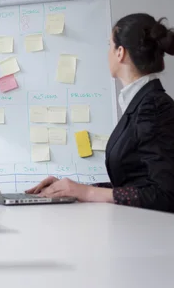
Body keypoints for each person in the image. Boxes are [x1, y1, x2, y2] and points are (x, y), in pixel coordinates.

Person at [27, 13, 174, 213]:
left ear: (120, 52)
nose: (108, 52)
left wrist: (87, 193)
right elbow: (136, 184)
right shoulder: (141, 103)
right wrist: (72, 190)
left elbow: (166, 194)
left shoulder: (153, 106)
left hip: (153, 238)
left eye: (109, 45)